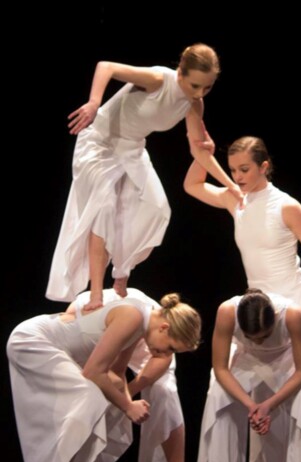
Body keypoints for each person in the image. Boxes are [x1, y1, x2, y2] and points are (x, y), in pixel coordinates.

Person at [46, 43, 242, 310]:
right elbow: (107, 66)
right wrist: (94, 103)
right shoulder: (158, 79)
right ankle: (95, 295)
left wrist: (231, 185)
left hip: (132, 149)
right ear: (181, 73)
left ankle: (121, 273)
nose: (199, 92)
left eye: (207, 87)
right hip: (100, 142)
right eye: (195, 85)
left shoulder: (194, 104)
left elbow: (199, 149)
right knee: (103, 208)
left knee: (158, 209)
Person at [183, 134, 301, 422]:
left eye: (244, 169)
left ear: (264, 166)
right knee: (258, 402)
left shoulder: (287, 207)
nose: (237, 176)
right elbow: (191, 185)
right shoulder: (236, 201)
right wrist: (203, 154)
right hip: (257, 310)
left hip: (296, 305)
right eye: (232, 170)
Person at [6, 288, 201, 462]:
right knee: (87, 395)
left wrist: (126, 405)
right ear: (163, 327)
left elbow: (115, 375)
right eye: (170, 347)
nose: (166, 354)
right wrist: (128, 406)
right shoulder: (132, 316)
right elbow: (93, 373)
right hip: (33, 340)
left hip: (51, 346)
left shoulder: (140, 323)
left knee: (106, 404)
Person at [194, 288, 301, 462]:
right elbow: (220, 369)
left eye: (264, 336)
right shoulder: (227, 311)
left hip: (289, 356)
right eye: (251, 337)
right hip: (249, 358)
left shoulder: (292, 314)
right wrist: (251, 405)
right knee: (217, 395)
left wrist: (268, 404)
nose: (259, 341)